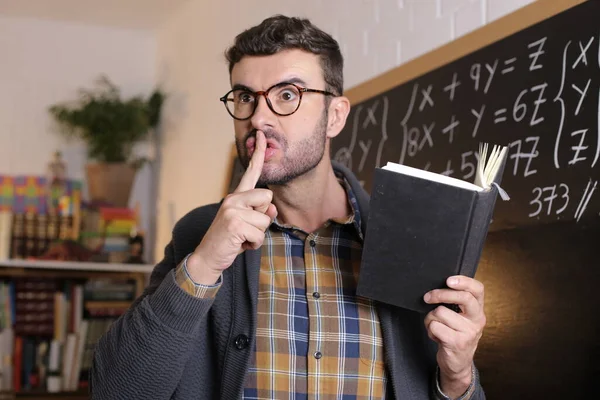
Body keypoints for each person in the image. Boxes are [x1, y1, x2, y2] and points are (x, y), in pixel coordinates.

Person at [91, 15, 487, 400]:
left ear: (334, 116)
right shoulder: (199, 233)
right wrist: (204, 265)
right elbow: (115, 391)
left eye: (287, 95)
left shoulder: (407, 240)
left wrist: (457, 379)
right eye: (245, 97)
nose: (259, 118)